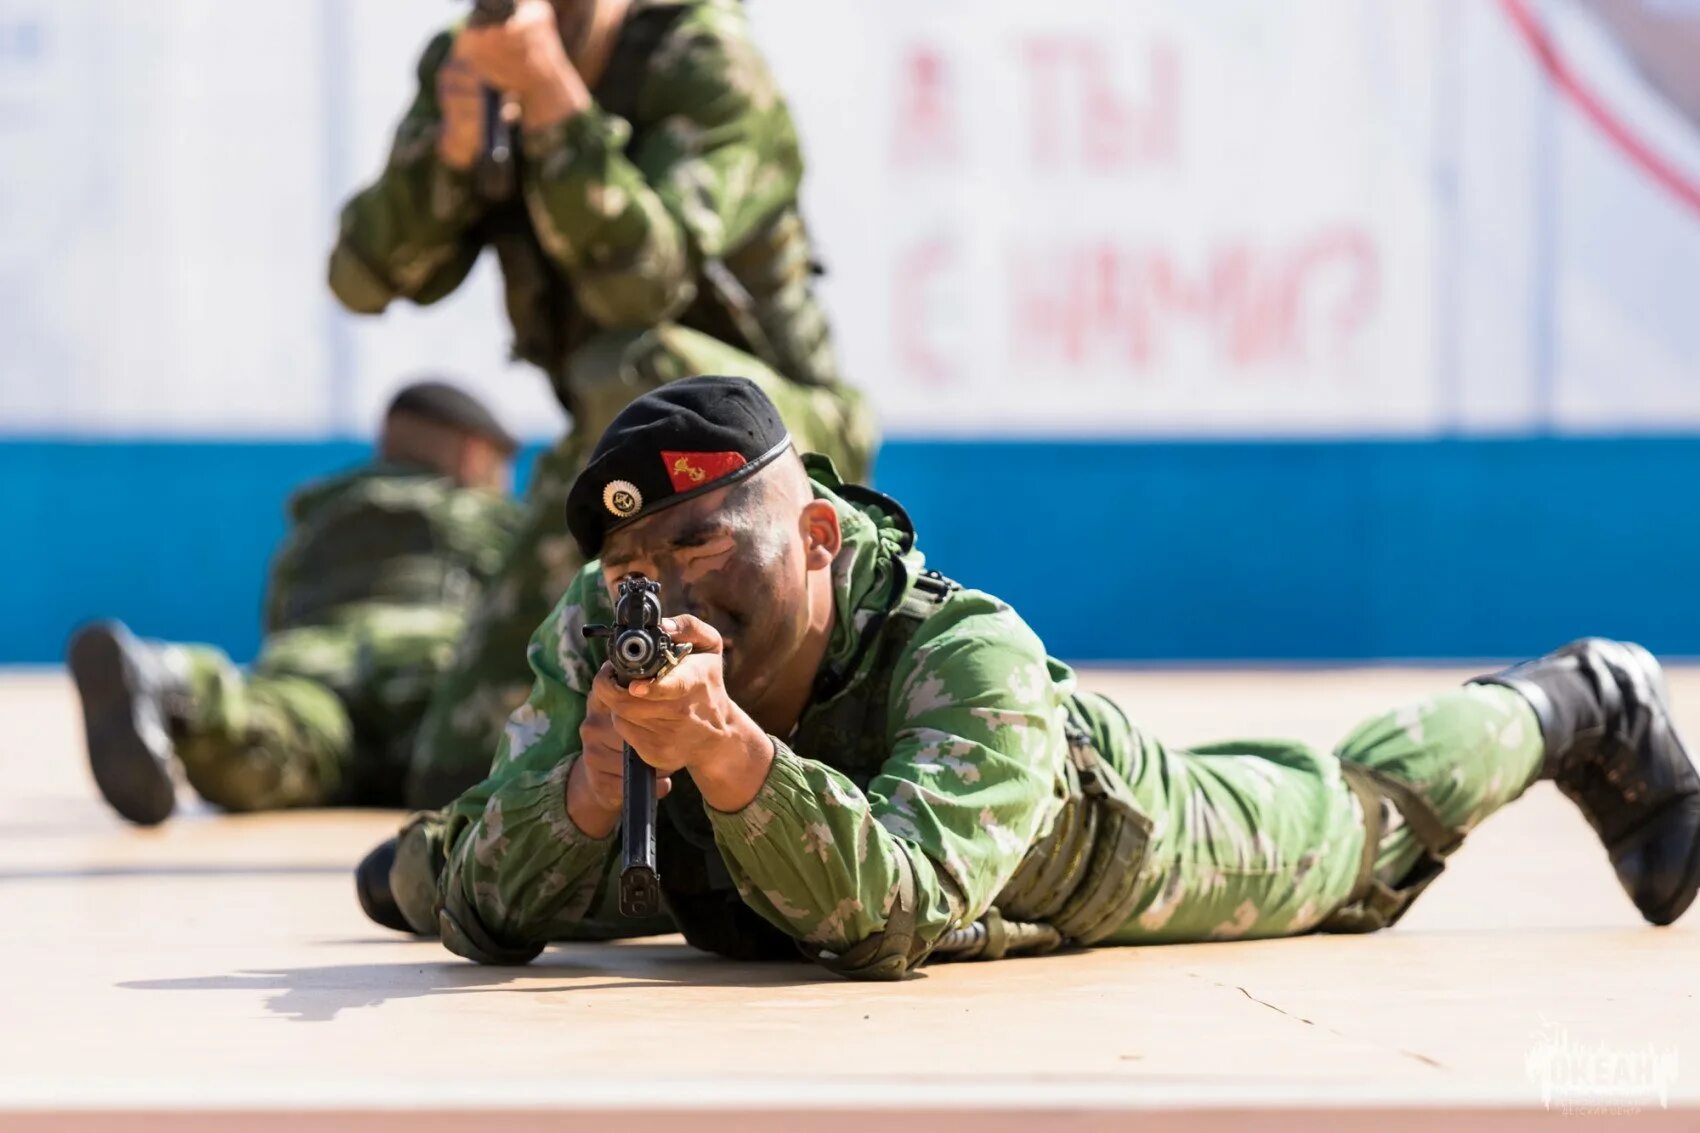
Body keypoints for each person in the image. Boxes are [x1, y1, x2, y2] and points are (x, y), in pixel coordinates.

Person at [356, 376, 1700, 976]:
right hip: (737, 878)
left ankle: (1578, 700)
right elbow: (500, 890)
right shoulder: (603, 636)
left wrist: (724, 755)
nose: (667, 587)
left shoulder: (965, 653)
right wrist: (588, 792)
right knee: (464, 871)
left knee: (1350, 822)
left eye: (704, 540)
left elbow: (893, 915)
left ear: (817, 535)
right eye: (635, 562)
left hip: (1100, 845)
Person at [329, 0, 878, 808]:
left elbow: (641, 283)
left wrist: (553, 101)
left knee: (631, 364)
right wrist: (446, 160)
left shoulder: (704, 63)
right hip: (621, 453)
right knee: (460, 769)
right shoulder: (475, 57)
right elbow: (364, 277)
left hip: (778, 452)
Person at [68, 380, 523, 841]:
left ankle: (181, 684)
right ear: (474, 453)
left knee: (283, 738)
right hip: (430, 673)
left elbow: (281, 616)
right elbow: (528, 610)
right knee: (497, 754)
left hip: (314, 663)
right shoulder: (481, 513)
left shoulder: (320, 519)